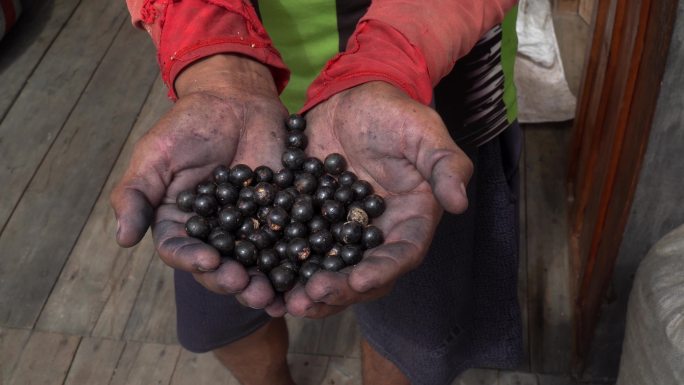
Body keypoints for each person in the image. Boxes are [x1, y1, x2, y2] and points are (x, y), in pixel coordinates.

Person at [110, 1, 522, 384]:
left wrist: (392, 57)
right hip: (232, 99)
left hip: (428, 83)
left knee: (416, 331)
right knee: (224, 313)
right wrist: (216, 63)